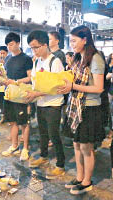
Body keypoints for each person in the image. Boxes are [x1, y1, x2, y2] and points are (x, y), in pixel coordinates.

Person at [57, 25, 105, 195]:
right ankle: (79, 177)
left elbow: (99, 88)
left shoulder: (96, 58)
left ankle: (87, 181)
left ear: (85, 40)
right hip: (75, 107)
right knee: (76, 144)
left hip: (89, 109)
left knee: (86, 148)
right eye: (70, 41)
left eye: (74, 41)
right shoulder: (78, 57)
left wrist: (73, 86)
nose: (72, 44)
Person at [25, 30, 65, 179]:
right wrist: (28, 92)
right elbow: (35, 82)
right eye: (31, 48)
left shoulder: (55, 62)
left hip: (53, 104)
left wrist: (36, 94)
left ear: (45, 44)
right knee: (43, 134)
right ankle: (43, 156)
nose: (34, 51)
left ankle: (61, 165)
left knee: (54, 135)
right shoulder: (37, 61)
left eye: (36, 47)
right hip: (40, 103)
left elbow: (56, 87)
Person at [1, 32, 33, 161]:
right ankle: (14, 146)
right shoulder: (8, 58)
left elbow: (31, 77)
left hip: (21, 95)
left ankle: (25, 148)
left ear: (18, 43)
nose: (9, 47)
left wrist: (16, 81)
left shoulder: (26, 58)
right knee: (12, 122)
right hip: (9, 94)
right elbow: (5, 75)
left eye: (11, 44)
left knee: (24, 123)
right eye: (7, 45)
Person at [0, 46, 8, 125]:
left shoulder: (9, 61)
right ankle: (3, 117)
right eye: (1, 53)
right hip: (0, 85)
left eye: (3, 53)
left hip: (7, 85)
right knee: (1, 101)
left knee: (7, 102)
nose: (2, 55)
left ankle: (8, 118)